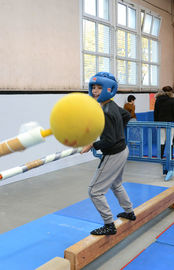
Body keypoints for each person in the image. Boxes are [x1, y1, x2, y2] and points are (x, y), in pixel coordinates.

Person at [81, 72, 136, 235]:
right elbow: (126, 115)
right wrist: (119, 130)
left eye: (100, 88)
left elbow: (109, 141)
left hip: (114, 153)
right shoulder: (110, 105)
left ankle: (108, 225)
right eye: (93, 87)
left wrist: (92, 144)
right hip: (122, 150)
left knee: (94, 191)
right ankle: (129, 212)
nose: (96, 91)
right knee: (116, 184)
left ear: (109, 89)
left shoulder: (105, 111)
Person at [154, 86, 174, 172]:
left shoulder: (157, 100)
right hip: (171, 123)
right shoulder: (172, 100)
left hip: (160, 123)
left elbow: (155, 112)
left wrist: (156, 123)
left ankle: (160, 157)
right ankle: (169, 158)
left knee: (161, 140)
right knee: (170, 140)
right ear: (171, 91)